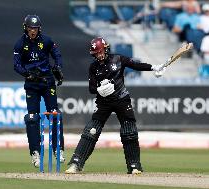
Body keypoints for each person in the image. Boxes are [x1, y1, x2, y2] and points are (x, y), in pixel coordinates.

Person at [65, 37, 166, 174]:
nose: (99, 55)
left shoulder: (118, 59)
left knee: (129, 131)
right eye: (96, 53)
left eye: (100, 52)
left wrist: (154, 67)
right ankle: (76, 164)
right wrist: (99, 89)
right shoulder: (93, 67)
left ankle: (134, 166)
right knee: (91, 131)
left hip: (121, 99)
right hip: (103, 102)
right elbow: (91, 88)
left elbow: (136, 65)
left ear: (106, 49)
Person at [13, 14, 65, 168]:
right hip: (32, 84)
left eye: (35, 28)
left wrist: (58, 67)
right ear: (25, 28)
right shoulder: (20, 44)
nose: (33, 31)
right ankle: (35, 152)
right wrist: (27, 73)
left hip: (47, 82)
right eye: (30, 28)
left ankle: (58, 149)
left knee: (55, 115)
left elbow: (57, 55)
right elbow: (16, 65)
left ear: (39, 28)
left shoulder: (47, 40)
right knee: (32, 118)